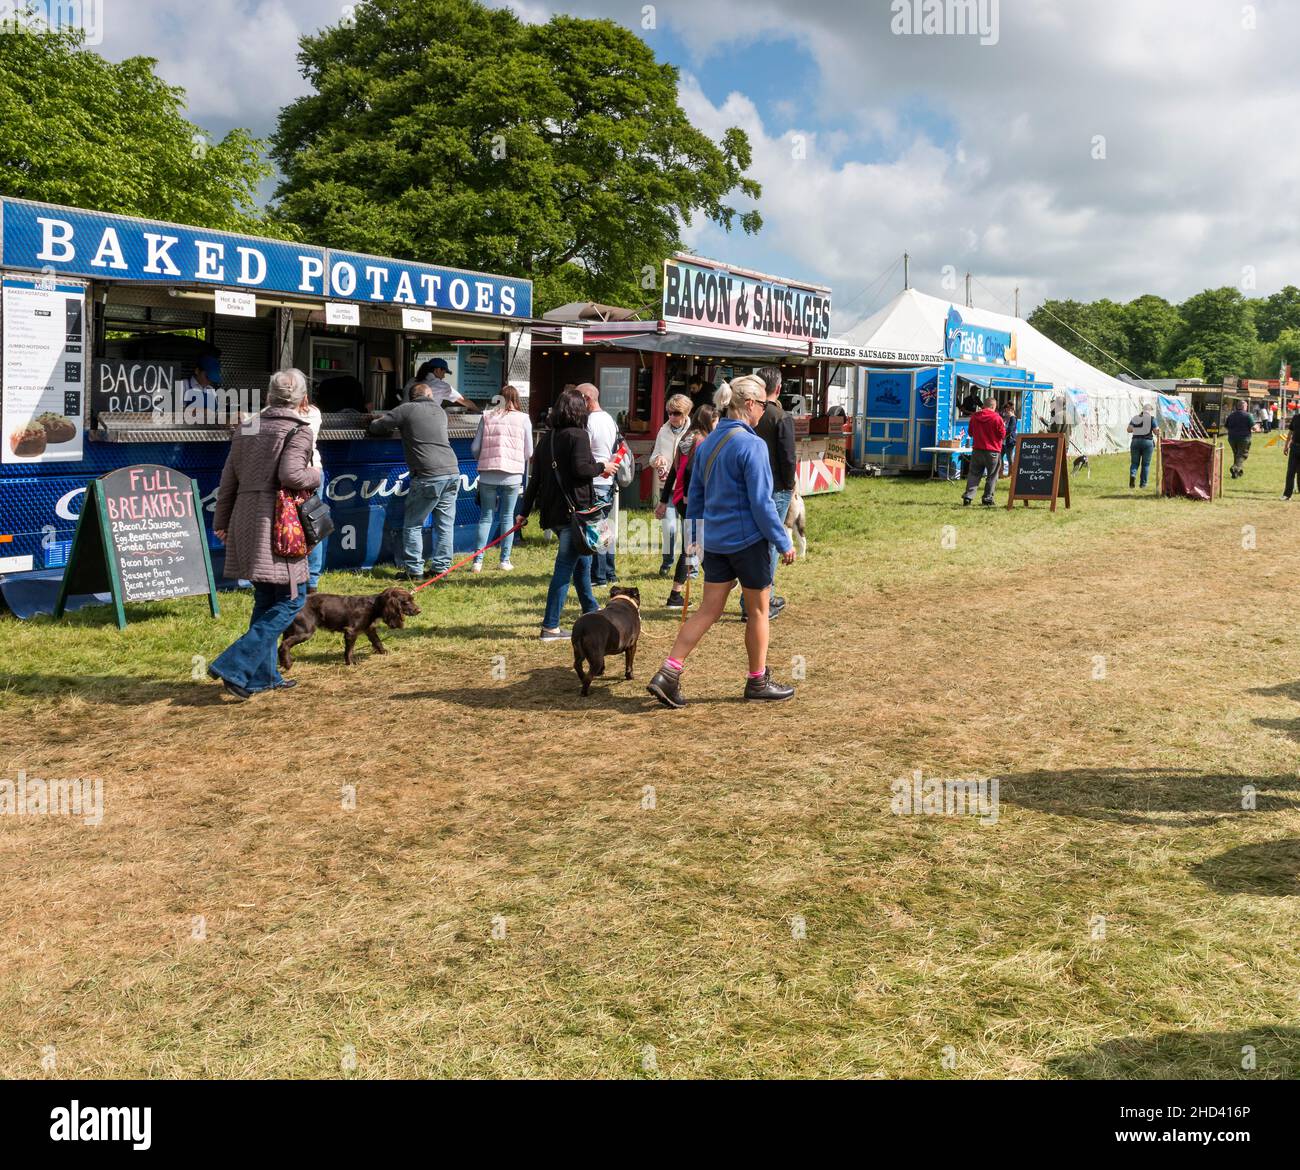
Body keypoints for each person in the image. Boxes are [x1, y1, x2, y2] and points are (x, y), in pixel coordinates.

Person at [647, 376, 796, 708]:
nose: (763, 412)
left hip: (714, 542)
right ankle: (757, 680)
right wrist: (782, 540)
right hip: (748, 542)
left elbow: (694, 498)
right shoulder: (752, 445)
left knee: (706, 611)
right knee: (758, 610)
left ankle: (668, 674)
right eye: (762, 406)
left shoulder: (708, 442)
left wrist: (695, 542)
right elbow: (762, 503)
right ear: (751, 405)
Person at [209, 369, 321, 700]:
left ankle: (263, 676)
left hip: (245, 518)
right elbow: (292, 475)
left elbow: (228, 478)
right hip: (279, 524)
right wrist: (315, 474)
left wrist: (222, 520)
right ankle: (234, 664)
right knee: (292, 598)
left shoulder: (248, 427)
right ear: (303, 400)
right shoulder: (299, 431)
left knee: (266, 598)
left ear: (268, 397)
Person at [517, 387, 617, 641]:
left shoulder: (547, 440)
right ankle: (550, 626)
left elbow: (535, 480)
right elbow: (582, 469)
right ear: (577, 410)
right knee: (564, 569)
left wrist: (523, 512)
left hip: (556, 513)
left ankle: (591, 611)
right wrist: (603, 466)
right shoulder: (578, 436)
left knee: (582, 564)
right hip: (576, 513)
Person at [368, 381, 460, 579]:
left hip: (428, 474)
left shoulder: (408, 408)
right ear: (430, 396)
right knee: (444, 524)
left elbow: (378, 427)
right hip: (452, 471)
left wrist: (374, 420)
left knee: (413, 524)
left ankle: (414, 571)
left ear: (411, 397)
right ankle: (441, 568)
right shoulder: (440, 411)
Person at [740, 366, 797, 622]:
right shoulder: (781, 417)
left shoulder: (747, 414)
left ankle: (759, 597)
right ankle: (757, 602)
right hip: (775, 486)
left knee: (756, 542)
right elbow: (788, 456)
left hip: (750, 485)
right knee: (772, 542)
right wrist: (789, 483)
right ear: (778, 388)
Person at [470, 384, 533, 572]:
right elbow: (529, 450)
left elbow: (475, 448)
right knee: (507, 517)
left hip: (488, 474)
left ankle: (477, 561)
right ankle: (504, 560)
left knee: (485, 517)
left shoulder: (487, 416)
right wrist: (516, 461)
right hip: (512, 475)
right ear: (516, 399)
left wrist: (482, 460)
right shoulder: (523, 419)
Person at [659, 405, 716, 608]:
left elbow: (674, 472)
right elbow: (690, 469)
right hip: (691, 500)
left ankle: (683, 590)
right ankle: (675, 595)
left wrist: (665, 499)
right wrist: (692, 497)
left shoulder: (686, 437)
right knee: (693, 546)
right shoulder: (701, 440)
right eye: (715, 421)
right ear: (709, 421)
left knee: (695, 545)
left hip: (681, 498)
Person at [579, 382, 620, 585]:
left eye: (578, 399)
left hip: (594, 480)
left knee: (596, 529)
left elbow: (583, 454)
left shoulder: (589, 423)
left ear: (587, 399)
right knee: (604, 528)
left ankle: (599, 575)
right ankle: (609, 572)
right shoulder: (609, 419)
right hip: (608, 480)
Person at [650, 394, 694, 575]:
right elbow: (654, 456)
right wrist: (657, 460)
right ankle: (667, 562)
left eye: (676, 413)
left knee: (690, 529)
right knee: (669, 527)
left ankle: (691, 566)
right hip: (667, 487)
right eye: (669, 413)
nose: (672, 417)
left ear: (685, 413)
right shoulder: (663, 430)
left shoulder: (694, 432)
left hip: (687, 488)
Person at [303, 387, 328, 592]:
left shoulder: (278, 413)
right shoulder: (314, 411)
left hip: (296, 473)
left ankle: (298, 578)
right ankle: (312, 580)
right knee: (314, 525)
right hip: (315, 470)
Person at [963, 396, 1006, 507]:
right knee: (992, 476)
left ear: (984, 405)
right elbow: (1002, 435)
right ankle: (987, 498)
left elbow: (970, 433)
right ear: (993, 406)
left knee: (973, 474)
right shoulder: (997, 418)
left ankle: (968, 497)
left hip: (977, 450)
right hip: (993, 451)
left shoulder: (974, 417)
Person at [405, 359, 483, 413]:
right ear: (438, 370)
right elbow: (464, 400)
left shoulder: (411, 380)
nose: (443, 377)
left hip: (403, 420)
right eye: (444, 373)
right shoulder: (440, 385)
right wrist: (479, 411)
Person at [1127, 404, 1157, 489]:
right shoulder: (1152, 419)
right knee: (1146, 464)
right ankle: (1143, 484)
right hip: (1147, 442)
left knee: (1134, 463)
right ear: (1150, 411)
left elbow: (1129, 429)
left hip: (1135, 441)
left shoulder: (1135, 418)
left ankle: (1133, 475)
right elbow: (1156, 432)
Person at [1225, 398, 1254, 480]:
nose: (1247, 407)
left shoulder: (1231, 415)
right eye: (1246, 406)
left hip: (1232, 438)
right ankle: (1235, 467)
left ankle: (1237, 473)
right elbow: (1254, 427)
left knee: (1236, 455)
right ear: (1244, 406)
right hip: (1244, 438)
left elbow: (1226, 426)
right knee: (1243, 455)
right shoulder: (1248, 415)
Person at [1282, 407, 1300, 499]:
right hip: (1294, 447)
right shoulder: (1296, 417)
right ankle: (1287, 494)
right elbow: (1290, 433)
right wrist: (1286, 446)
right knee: (1290, 472)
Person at [999, 400, 1018, 475]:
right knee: (1000, 456)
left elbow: (1010, 430)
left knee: (1009, 458)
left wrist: (1003, 436)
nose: (1005, 410)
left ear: (1010, 409)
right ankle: (1000, 473)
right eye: (1005, 409)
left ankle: (1011, 474)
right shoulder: (1006, 417)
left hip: (1009, 441)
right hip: (1003, 441)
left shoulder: (1013, 418)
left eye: (1006, 408)